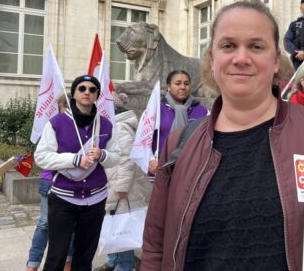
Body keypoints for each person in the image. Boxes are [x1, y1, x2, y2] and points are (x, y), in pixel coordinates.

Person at [141, 1, 304, 270]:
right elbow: (155, 245)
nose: (241, 58)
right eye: (228, 46)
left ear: (276, 60)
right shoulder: (180, 144)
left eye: (256, 46)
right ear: (211, 58)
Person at [35, 75, 119, 271]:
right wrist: (73, 159)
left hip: (95, 199)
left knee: (85, 257)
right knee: (57, 255)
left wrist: (102, 154)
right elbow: (41, 157)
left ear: (97, 95)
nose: (87, 92)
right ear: (73, 94)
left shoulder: (106, 124)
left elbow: (116, 156)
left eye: (92, 89)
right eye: (82, 88)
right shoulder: (57, 122)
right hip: (64, 199)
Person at [94, 93, 150, 271]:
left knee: (122, 227)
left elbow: (127, 158)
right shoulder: (111, 125)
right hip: (112, 183)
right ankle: (114, 261)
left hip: (122, 188)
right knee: (113, 225)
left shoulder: (120, 126)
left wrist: (122, 187)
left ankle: (124, 265)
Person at [26, 93, 74, 271]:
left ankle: (68, 263)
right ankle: (33, 264)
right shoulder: (53, 125)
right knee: (45, 224)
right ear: (60, 107)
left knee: (71, 226)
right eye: (66, 106)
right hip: (51, 181)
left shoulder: (82, 128)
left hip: (72, 184)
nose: (69, 110)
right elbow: (44, 156)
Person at [149, 70, 208, 175]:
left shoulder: (202, 111)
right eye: (177, 83)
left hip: (191, 171)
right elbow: (144, 139)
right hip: (160, 170)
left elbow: (208, 141)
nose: (182, 87)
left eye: (186, 83)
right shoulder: (156, 110)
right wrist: (151, 160)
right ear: (168, 86)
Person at [283, 0, 304, 69]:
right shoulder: (294, 24)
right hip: (297, 62)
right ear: (301, 8)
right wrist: (297, 52)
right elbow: (287, 40)